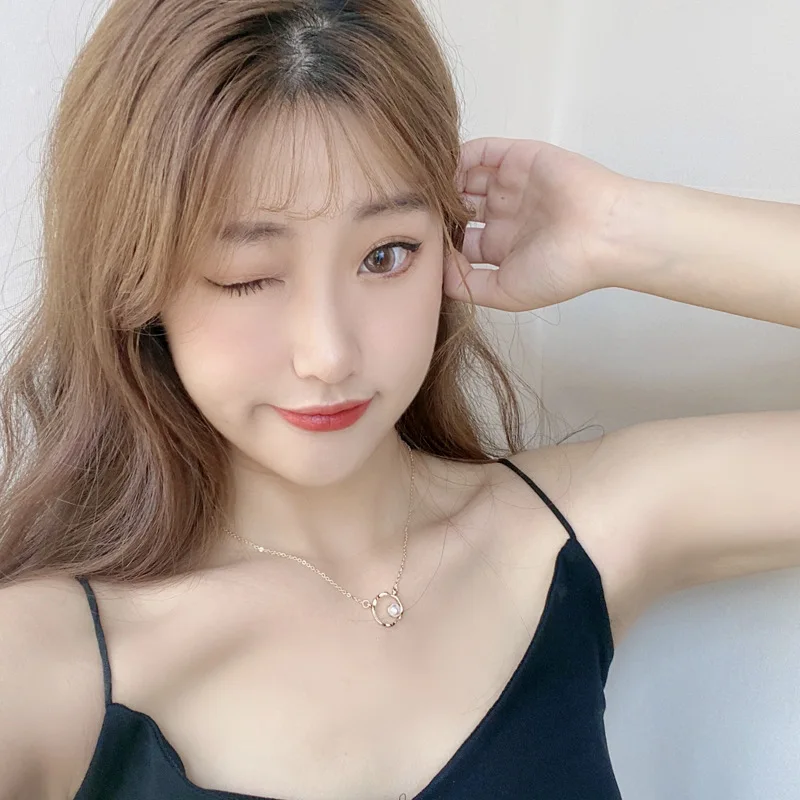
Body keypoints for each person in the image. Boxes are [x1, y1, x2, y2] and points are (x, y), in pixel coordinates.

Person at [0, 0, 797, 798]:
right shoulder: (40, 666)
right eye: (247, 277)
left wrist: (621, 229)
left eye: (386, 255)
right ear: (136, 283)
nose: (328, 354)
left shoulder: (564, 538)